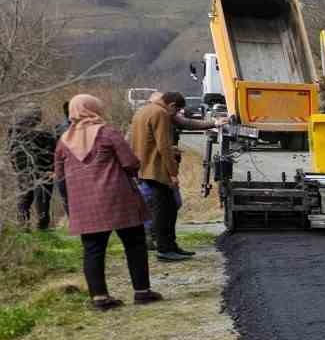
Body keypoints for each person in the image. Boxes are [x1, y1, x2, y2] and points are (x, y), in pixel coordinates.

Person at [53, 94, 161, 311]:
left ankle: (100, 298)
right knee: (134, 243)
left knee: (93, 249)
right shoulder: (106, 132)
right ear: (94, 108)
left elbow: (59, 176)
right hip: (118, 198)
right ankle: (142, 292)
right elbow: (130, 163)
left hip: (84, 204)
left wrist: (70, 202)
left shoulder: (63, 141)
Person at [128, 91, 221, 261]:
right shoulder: (161, 113)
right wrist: (173, 173)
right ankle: (165, 249)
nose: (176, 114)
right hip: (156, 170)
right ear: (171, 105)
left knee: (168, 207)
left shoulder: (143, 111)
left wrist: (213, 123)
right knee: (165, 211)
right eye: (176, 110)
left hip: (143, 168)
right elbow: (164, 146)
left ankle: (171, 246)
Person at [7, 104, 56, 230]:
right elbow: (51, 150)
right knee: (43, 197)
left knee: (25, 197)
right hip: (43, 169)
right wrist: (51, 168)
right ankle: (42, 225)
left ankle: (23, 225)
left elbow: (11, 151)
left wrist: (16, 168)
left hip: (22, 169)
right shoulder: (43, 131)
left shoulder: (14, 130)